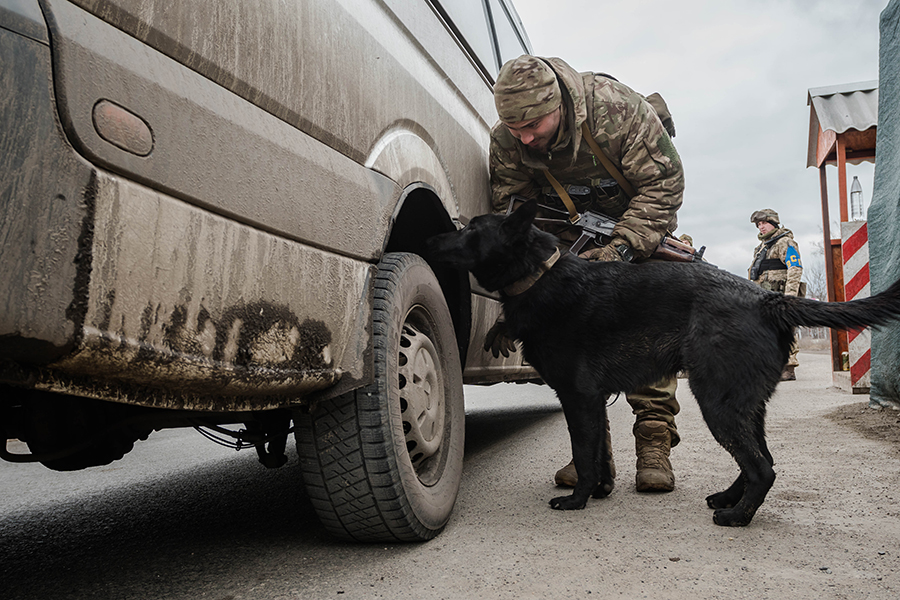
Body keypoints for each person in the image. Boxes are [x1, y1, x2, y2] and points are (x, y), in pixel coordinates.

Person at [487, 55, 685, 493]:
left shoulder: (616, 109)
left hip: (636, 224)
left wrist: (620, 250)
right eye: (514, 127)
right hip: (564, 237)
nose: (524, 137)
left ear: (558, 104)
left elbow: (663, 184)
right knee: (573, 340)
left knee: (642, 329)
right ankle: (593, 457)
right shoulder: (508, 139)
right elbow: (516, 213)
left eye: (534, 125)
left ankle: (653, 444)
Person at [748, 209, 804, 380]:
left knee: (785, 329)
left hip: (780, 295)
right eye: (758, 225)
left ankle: (788, 368)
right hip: (764, 296)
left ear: (773, 223)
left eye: (763, 223)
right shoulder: (761, 247)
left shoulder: (785, 243)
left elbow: (795, 268)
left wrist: (790, 297)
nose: (760, 227)